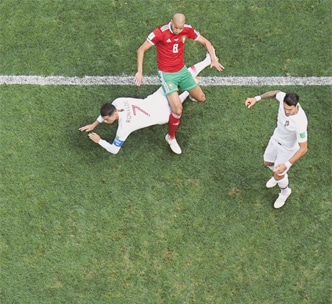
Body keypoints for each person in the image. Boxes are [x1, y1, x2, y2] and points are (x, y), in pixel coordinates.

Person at [79, 55, 212, 154]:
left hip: (163, 115)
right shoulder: (117, 102)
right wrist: (94, 124)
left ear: (114, 114)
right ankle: (207, 61)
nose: (106, 121)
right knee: (182, 76)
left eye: (107, 119)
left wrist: (99, 141)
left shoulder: (124, 128)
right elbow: (105, 114)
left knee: (177, 105)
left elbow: (114, 150)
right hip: (157, 98)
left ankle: (189, 91)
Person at [135, 13, 224, 154]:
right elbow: (141, 50)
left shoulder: (187, 30)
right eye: (176, 28)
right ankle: (170, 137)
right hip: (167, 75)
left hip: (182, 71)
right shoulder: (160, 33)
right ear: (171, 22)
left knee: (201, 98)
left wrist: (213, 58)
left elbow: (206, 42)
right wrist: (140, 72)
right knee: (177, 110)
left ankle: (189, 90)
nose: (178, 31)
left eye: (180, 28)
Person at [245, 91, 308, 208]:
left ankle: (285, 191)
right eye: (285, 108)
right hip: (275, 139)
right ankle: (280, 177)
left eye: (290, 109)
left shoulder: (300, 122)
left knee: (278, 172)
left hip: (287, 149)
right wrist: (256, 98)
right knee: (267, 162)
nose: (287, 112)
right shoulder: (282, 98)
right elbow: (274, 93)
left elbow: (303, 148)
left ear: (296, 105)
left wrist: (287, 164)